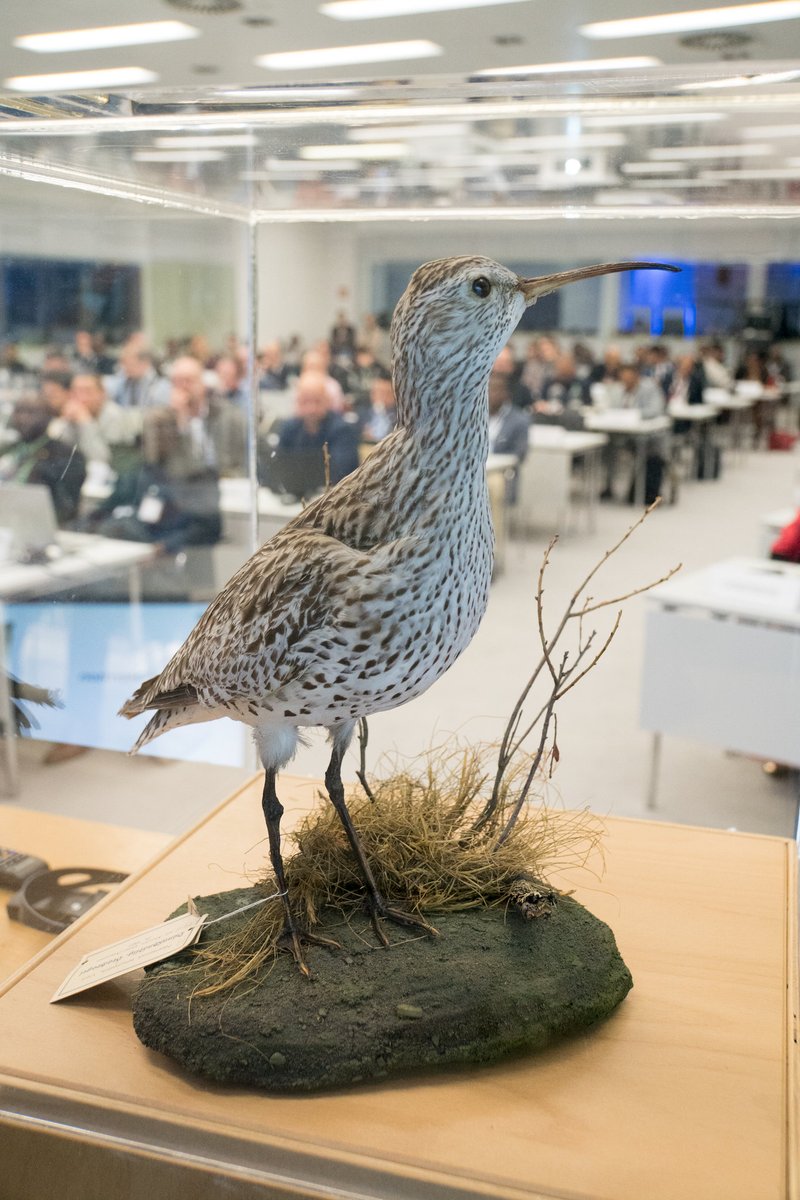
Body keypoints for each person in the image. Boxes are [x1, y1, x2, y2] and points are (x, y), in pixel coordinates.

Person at [79, 407, 221, 556]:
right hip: (135, 544)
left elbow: (207, 528)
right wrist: (84, 525)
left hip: (173, 553)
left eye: (163, 429)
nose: (156, 437)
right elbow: (111, 503)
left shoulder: (197, 475)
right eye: (151, 430)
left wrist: (166, 546)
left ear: (176, 433)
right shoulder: (143, 471)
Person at [0, 391, 86, 524]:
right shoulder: (10, 449)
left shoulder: (66, 455)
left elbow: (66, 507)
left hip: (40, 522)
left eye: (31, 413)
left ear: (49, 417)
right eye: (19, 411)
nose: (23, 419)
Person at [270, 370, 359, 490]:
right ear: (297, 401)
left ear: (328, 401)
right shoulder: (289, 428)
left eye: (317, 401)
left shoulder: (343, 430)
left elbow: (341, 473)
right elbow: (278, 466)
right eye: (305, 401)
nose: (311, 408)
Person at [169, 355, 247, 477]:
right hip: (184, 484)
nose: (183, 386)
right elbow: (174, 469)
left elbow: (241, 460)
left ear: (202, 384)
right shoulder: (164, 421)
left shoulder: (228, 414)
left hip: (224, 481)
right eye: (177, 382)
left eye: (188, 380)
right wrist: (181, 424)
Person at [51, 373, 139, 467]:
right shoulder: (74, 413)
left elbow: (101, 459)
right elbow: (58, 446)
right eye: (76, 392)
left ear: (102, 394)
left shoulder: (114, 416)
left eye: (87, 391)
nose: (82, 397)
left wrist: (85, 422)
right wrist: (65, 421)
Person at [487, 367, 530, 502]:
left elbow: (519, 454)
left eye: (496, 390)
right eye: (488, 389)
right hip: (474, 471)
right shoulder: (474, 417)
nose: (490, 394)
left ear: (506, 394)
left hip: (501, 472)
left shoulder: (519, 420)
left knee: (493, 485)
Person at [360, 375, 397, 444]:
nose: (381, 397)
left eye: (385, 393)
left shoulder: (399, 416)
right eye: (376, 392)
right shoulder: (362, 412)